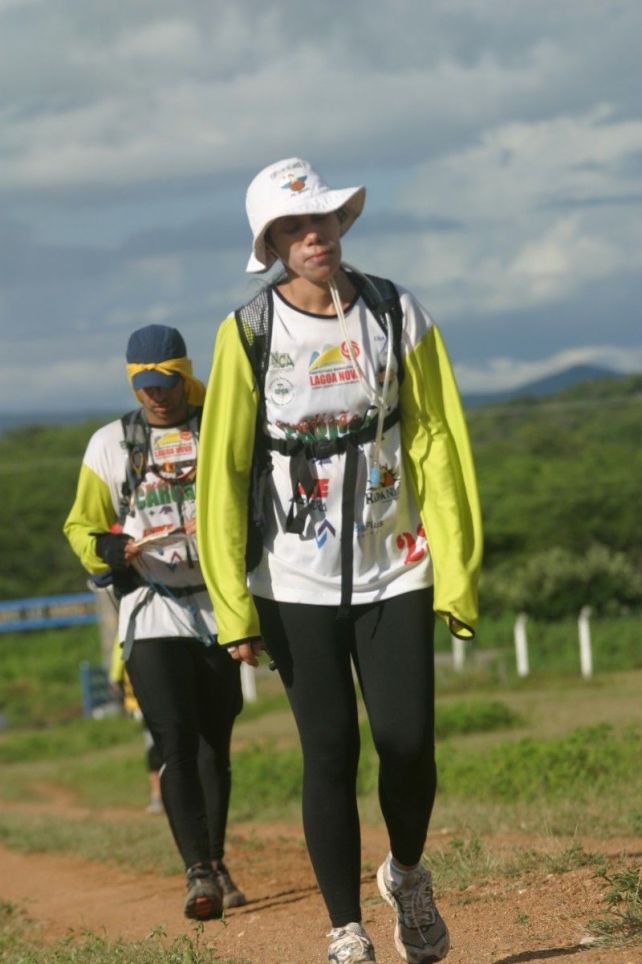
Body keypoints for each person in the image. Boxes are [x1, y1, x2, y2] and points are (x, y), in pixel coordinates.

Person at [196, 158, 483, 963]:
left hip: (398, 563)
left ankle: (408, 873)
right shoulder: (248, 333)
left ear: (340, 226)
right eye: (293, 227)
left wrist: (455, 568)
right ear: (272, 243)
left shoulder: (397, 311)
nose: (312, 235)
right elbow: (220, 471)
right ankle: (345, 926)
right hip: (291, 581)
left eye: (320, 220)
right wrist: (231, 606)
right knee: (329, 749)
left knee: (407, 743)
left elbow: (436, 437)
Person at [63, 324, 246, 920]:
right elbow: (80, 528)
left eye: (166, 383)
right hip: (151, 605)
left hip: (219, 604)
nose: (157, 396)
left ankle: (215, 857)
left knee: (214, 743)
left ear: (183, 373)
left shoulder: (219, 422)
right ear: (131, 382)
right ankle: (197, 872)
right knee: (173, 738)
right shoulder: (110, 444)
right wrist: (111, 550)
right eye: (145, 386)